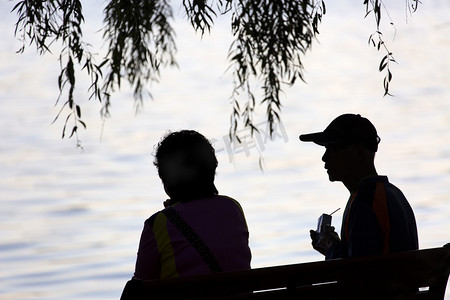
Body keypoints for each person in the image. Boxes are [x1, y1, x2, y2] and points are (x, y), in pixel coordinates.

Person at [132, 130, 251, 280]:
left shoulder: (159, 224)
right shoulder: (233, 208)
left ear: (165, 178)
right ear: (212, 169)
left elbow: (141, 287)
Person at [299, 113, 418, 260]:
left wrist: (331, 248)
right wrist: (335, 247)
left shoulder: (365, 201)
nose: (325, 157)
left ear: (358, 150)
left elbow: (357, 275)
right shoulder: (393, 194)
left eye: (333, 148)